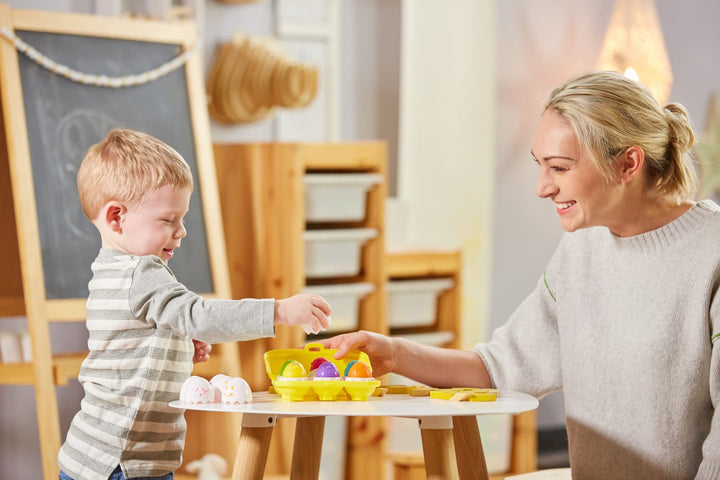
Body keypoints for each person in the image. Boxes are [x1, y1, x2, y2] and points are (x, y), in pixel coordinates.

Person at [320, 71, 720, 480]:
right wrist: (396, 354)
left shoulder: (712, 255)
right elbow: (499, 366)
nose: (542, 188)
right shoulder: (580, 250)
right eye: (540, 166)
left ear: (628, 163)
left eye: (559, 168)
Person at [57, 128, 332, 480]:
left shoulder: (110, 270)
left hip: (103, 455)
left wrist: (176, 343)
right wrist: (278, 310)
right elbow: (197, 315)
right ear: (116, 217)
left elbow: (136, 339)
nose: (181, 230)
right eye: (168, 220)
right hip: (122, 460)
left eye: (181, 218)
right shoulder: (142, 271)